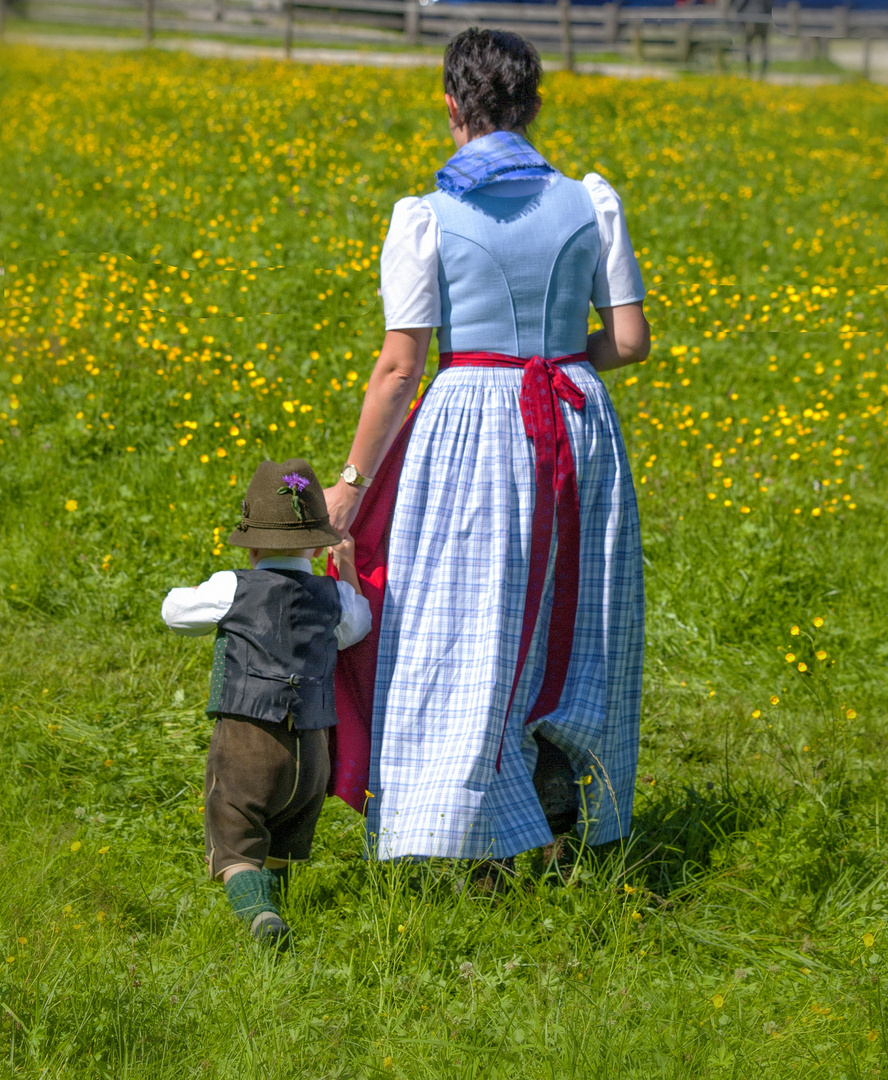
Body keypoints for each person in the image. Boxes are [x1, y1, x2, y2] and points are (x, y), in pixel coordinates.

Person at [323, 29, 650, 866]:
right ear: (535, 104)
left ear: (451, 104)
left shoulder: (427, 217)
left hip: (472, 420)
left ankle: (464, 824)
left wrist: (349, 488)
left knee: (465, 615)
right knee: (572, 614)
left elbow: (400, 370)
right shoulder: (590, 200)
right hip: (576, 414)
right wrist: (556, 357)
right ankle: (571, 808)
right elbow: (632, 340)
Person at [161, 458, 371, 946]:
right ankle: (282, 903)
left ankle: (262, 918)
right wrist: (344, 570)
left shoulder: (233, 587)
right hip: (313, 749)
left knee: (234, 834)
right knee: (289, 837)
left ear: (251, 543)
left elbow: (173, 611)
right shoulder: (333, 595)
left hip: (247, 738)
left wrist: (205, 592)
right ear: (319, 544)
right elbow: (358, 627)